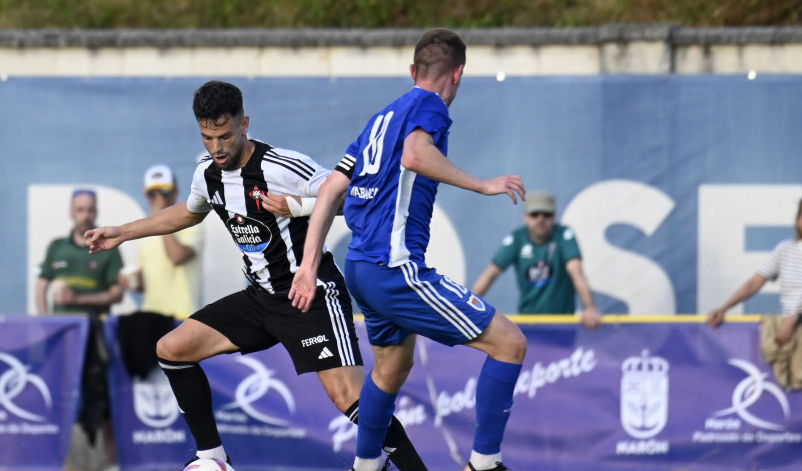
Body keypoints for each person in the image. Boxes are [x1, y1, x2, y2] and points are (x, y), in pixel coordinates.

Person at [85, 81, 426, 470]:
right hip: (260, 297)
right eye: (208, 137)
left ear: (245, 124)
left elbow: (350, 198)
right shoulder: (207, 174)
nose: (217, 147)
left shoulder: (282, 166)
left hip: (309, 293)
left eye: (225, 135)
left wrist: (298, 206)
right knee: (172, 349)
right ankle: (213, 459)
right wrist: (123, 232)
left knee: (351, 399)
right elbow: (190, 211)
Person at [290, 29, 527, 471]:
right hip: (394, 268)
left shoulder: (378, 120)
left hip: (360, 267)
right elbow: (416, 156)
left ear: (412, 70)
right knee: (510, 344)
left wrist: (307, 266)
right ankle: (484, 464)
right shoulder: (429, 104)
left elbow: (329, 192)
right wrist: (482, 184)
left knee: (390, 370)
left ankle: (365, 466)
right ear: (457, 74)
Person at [35, 189, 124, 471]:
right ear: (72, 212)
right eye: (81, 209)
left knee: (100, 396)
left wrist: (80, 300)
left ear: (96, 213)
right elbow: (41, 286)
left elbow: (116, 294)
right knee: (62, 397)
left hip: (95, 336)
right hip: (63, 338)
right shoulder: (56, 248)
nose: (86, 215)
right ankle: (65, 461)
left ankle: (108, 461)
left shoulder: (108, 248)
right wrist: (46, 324)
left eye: (90, 210)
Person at [116, 164, 203, 380]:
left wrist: (161, 219)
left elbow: (177, 257)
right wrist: (132, 283)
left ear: (175, 192)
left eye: (164, 192)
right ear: (146, 196)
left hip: (182, 315)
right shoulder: (145, 232)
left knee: (182, 380)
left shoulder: (194, 224)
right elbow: (147, 281)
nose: (159, 198)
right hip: (151, 318)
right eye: (153, 193)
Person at [470, 190, 602, 329]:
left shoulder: (563, 235)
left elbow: (576, 271)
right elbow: (491, 273)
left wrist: (590, 307)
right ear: (525, 216)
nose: (541, 219)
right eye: (534, 214)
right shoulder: (517, 239)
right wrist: (470, 307)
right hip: (529, 323)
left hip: (563, 324)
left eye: (547, 214)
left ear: (554, 216)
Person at [707, 198, 802, 390]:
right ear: (797, 220)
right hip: (788, 333)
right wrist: (724, 308)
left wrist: (796, 317)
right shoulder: (785, 250)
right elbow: (754, 283)